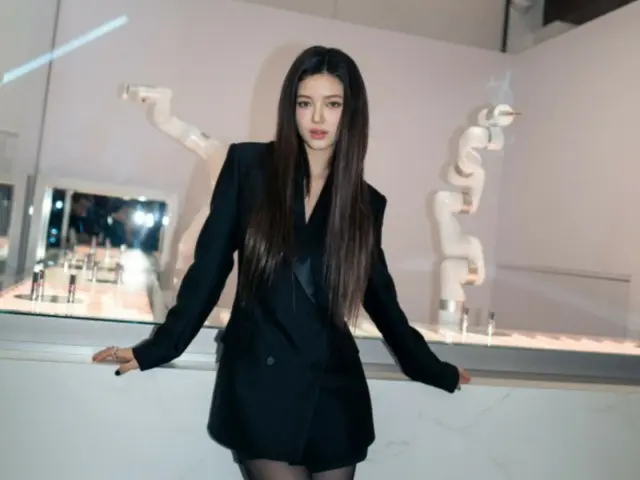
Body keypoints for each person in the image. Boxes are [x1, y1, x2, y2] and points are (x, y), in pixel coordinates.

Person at [93, 45, 471, 480]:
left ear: (351, 113)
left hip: (334, 389)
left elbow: (381, 298)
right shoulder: (248, 166)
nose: (317, 117)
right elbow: (209, 269)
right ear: (290, 106)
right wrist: (160, 347)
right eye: (305, 103)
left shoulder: (364, 203)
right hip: (260, 382)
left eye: (333, 104)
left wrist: (430, 368)